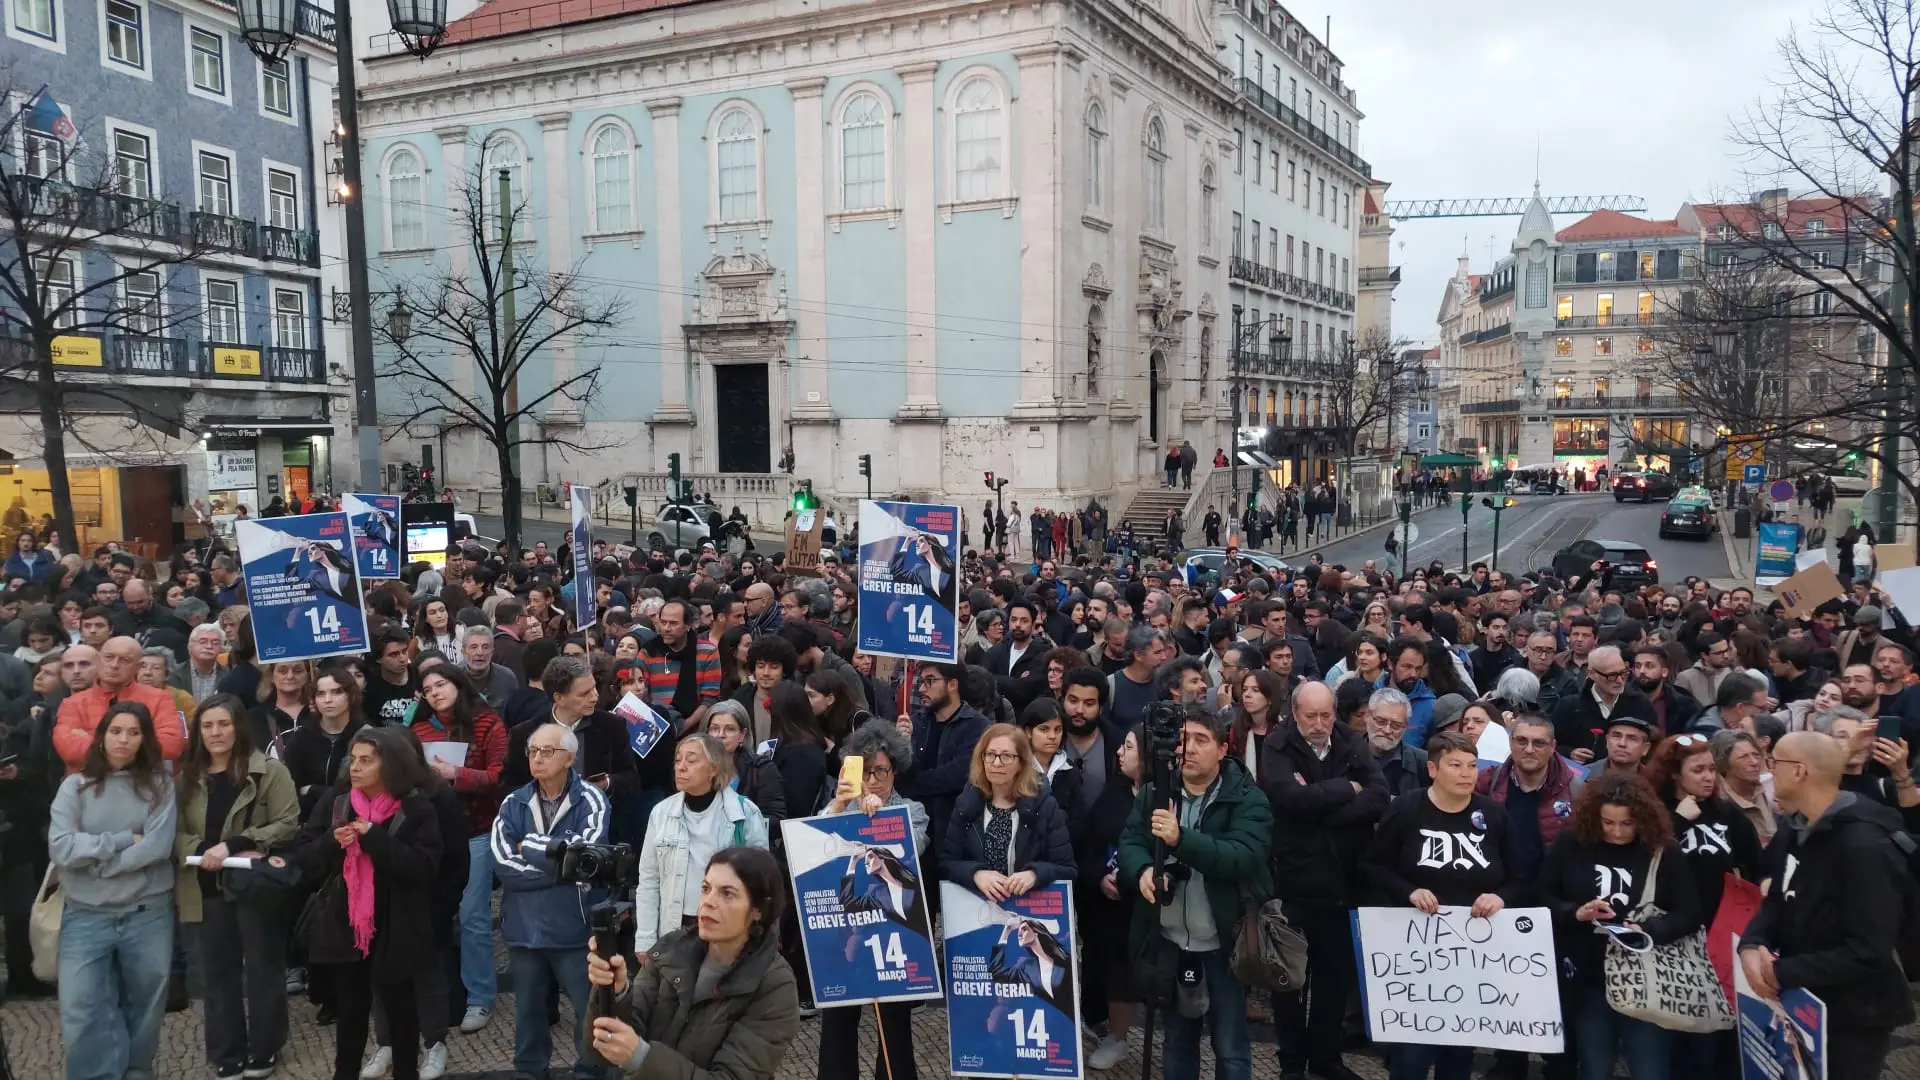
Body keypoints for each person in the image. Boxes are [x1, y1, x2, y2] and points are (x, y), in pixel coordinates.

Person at [1739, 731, 1913, 1080]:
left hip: (1855, 1015)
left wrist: (1781, 972)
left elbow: (1869, 950)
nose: (1768, 769)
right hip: (1802, 1000)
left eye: (1775, 762)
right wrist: (1752, 942)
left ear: (1800, 771)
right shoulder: (1794, 826)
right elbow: (1777, 897)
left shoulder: (1865, 847)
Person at [1116, 704, 1272, 1080]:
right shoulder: (1156, 791)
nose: (1188, 748)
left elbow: (1242, 857)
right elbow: (1130, 842)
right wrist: (1142, 872)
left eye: (1201, 740)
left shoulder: (1248, 799)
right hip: (1169, 940)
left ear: (1222, 749)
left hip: (1225, 942)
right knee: (1176, 1044)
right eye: (1183, 740)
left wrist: (1180, 839)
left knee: (1231, 1047)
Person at [1362, 730, 1523, 1080]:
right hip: (1415, 951)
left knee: (1459, 1052)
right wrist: (1408, 891)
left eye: (1472, 765)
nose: (1466, 773)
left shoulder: (1493, 815)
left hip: (1472, 953)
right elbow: (1373, 865)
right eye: (1455, 765)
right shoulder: (1406, 809)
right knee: (1411, 1055)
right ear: (1433, 769)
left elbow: (1521, 875)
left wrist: (1501, 896)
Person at [285, 726, 443, 1080]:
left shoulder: (417, 808)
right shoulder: (338, 802)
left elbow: (423, 867)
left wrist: (374, 839)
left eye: (366, 761)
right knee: (351, 1015)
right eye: (353, 759)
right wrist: (331, 842)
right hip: (347, 923)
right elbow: (304, 859)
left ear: (390, 766)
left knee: (402, 1014)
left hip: (397, 923)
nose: (355, 767)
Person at [583, 847, 800, 1080]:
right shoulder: (672, 949)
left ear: (758, 909)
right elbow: (603, 1048)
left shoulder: (775, 985)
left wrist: (641, 1057)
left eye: (727, 893)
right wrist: (615, 992)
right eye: (706, 889)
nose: (708, 902)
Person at [1538, 774, 1699, 1080]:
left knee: (1649, 1069)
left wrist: (1649, 930)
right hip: (1589, 976)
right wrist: (1575, 912)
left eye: (1627, 824)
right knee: (1594, 1068)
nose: (1616, 831)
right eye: (1607, 823)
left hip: (1646, 979)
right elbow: (1544, 893)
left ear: (1643, 819)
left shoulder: (1663, 851)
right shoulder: (1572, 843)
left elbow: (1690, 913)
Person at [49, 701, 178, 1080]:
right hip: (86, 914)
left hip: (147, 912)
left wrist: (98, 862)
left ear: (144, 740)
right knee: (81, 1006)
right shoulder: (74, 787)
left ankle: (136, 1072)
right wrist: (121, 840)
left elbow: (156, 847)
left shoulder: (160, 785)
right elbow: (61, 848)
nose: (124, 740)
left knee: (146, 1004)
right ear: (102, 736)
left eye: (134, 732)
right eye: (116, 731)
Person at [175, 694, 301, 1080]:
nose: (215, 732)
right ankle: (227, 1051)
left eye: (223, 724)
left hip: (253, 885)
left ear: (238, 727)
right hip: (205, 886)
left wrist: (233, 844)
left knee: (263, 970)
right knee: (217, 975)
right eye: (208, 725)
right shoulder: (187, 777)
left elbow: (287, 822)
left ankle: (264, 1048)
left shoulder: (269, 772)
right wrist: (197, 849)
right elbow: (172, 830)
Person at [1264, 681, 1386, 1080]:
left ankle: (1325, 1057)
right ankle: (1292, 1061)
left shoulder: (1349, 740)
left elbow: (1378, 795)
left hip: (1343, 882)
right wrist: (1345, 789)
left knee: (1333, 981)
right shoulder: (1277, 746)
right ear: (1294, 714)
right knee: (1290, 982)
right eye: (1311, 716)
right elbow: (1289, 800)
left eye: (1326, 715)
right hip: (1296, 882)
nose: (1320, 724)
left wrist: (1324, 806)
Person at [489, 722, 614, 1080]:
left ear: (570, 758)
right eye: (533, 751)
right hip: (524, 928)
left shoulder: (591, 798)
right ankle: (529, 1073)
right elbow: (503, 863)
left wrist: (527, 847)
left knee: (585, 1011)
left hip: (574, 927)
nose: (538, 758)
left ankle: (590, 1073)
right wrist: (559, 868)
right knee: (527, 1010)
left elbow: (583, 856)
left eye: (548, 751)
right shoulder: (513, 802)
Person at [816, 719, 927, 1080]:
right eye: (868, 770)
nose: (875, 779)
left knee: (893, 1019)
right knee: (838, 1016)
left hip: (892, 929)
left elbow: (911, 848)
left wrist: (881, 817)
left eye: (883, 770)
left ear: (896, 769)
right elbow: (813, 843)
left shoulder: (912, 810)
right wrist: (840, 805)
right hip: (844, 925)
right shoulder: (838, 804)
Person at [407, 664, 508, 1034]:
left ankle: (480, 997)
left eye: (441, 684)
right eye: (427, 688)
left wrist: (457, 775)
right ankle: (442, 993)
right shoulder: (416, 730)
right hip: (431, 836)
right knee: (436, 918)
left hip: (476, 831)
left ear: (457, 684)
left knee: (473, 917)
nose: (434, 692)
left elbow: (499, 776)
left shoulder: (487, 723)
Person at [634, 735, 770, 953]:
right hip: (674, 929)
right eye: (678, 761)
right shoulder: (661, 812)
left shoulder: (744, 813)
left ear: (713, 768)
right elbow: (649, 879)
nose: (681, 767)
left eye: (691, 760)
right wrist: (645, 939)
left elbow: (762, 881)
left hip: (727, 928)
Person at [940, 722, 1076, 901]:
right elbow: (946, 864)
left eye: (1006, 756)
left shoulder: (1043, 805)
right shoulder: (966, 804)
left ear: (1021, 763)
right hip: (978, 909)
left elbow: (1068, 869)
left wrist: (1035, 874)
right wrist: (975, 874)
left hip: (1028, 909)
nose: (996, 763)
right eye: (990, 755)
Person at [53, 635, 185, 770]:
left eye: (125, 660)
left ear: (138, 667)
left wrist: (93, 741)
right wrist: (136, 745)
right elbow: (69, 749)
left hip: (141, 784)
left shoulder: (160, 699)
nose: (114, 665)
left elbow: (172, 745)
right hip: (86, 784)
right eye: (109, 657)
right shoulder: (73, 703)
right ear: (99, 660)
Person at [705, 699, 787, 826]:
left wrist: (735, 826)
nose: (720, 735)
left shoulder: (761, 769)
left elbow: (775, 819)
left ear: (742, 735)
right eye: (714, 729)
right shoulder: (695, 766)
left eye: (730, 729)